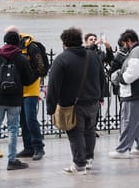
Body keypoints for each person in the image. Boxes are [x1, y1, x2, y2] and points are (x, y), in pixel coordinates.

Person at [46, 27, 106, 175]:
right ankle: (88, 159)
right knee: (90, 131)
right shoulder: (92, 56)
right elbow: (102, 78)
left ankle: (79, 165)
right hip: (93, 101)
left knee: (75, 133)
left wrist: (51, 107)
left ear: (64, 42)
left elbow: (53, 85)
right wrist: (102, 96)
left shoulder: (62, 59)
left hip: (73, 104)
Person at [0, 31, 35, 171]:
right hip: (15, 99)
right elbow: (29, 79)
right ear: (17, 42)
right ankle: (12, 160)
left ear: (4, 41)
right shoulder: (21, 58)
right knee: (13, 129)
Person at [109, 29, 139, 158]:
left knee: (129, 121)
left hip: (135, 92)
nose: (122, 47)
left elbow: (133, 72)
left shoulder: (136, 52)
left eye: (123, 44)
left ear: (129, 41)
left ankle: (122, 149)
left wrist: (120, 78)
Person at [3, 25, 47, 161]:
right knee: (22, 119)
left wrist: (29, 79)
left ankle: (38, 147)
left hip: (31, 89)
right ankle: (28, 147)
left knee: (30, 118)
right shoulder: (12, 46)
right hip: (17, 89)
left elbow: (41, 67)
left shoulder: (32, 47)